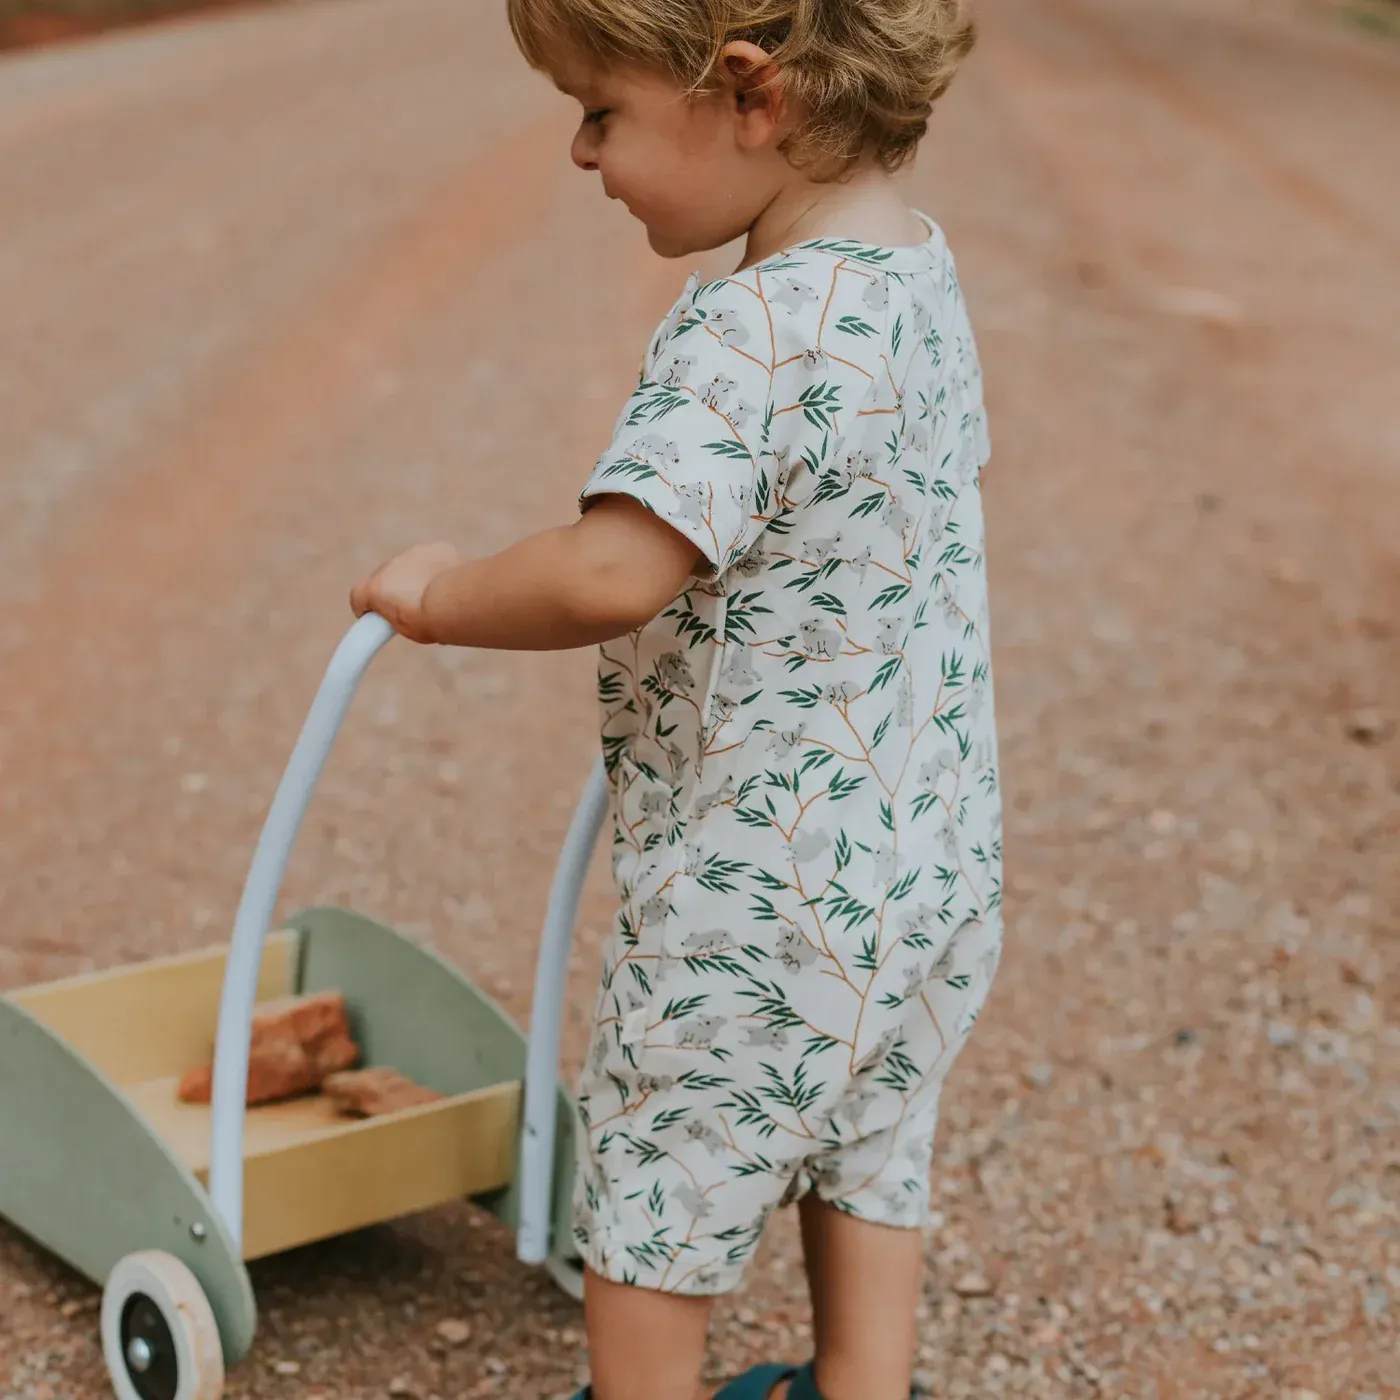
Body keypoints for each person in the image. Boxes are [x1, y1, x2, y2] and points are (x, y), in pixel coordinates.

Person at [349, 3, 1001, 1396]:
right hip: (928, 861)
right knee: (871, 1130)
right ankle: (860, 1384)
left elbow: (609, 571)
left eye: (602, 110)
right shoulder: (918, 277)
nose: (583, 152)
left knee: (659, 1172)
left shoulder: (746, 328)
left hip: (758, 889)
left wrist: (439, 594)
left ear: (751, 95)